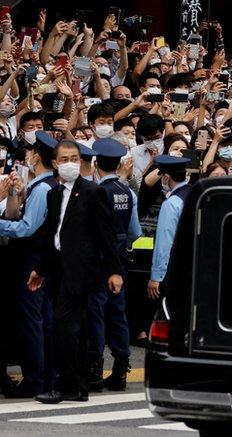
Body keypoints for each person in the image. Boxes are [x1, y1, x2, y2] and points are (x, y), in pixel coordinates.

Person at [30, 139, 123, 403]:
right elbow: (54, 234)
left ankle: (67, 384)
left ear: (82, 161)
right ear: (56, 163)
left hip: (83, 272)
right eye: (65, 159)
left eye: (75, 158)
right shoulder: (54, 193)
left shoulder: (93, 192)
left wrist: (114, 271)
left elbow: (107, 235)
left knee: (65, 327)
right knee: (75, 330)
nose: (71, 163)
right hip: (60, 270)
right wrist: (41, 270)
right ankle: (80, 386)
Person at [0, 130, 59, 398]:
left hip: (32, 261)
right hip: (42, 260)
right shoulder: (43, 187)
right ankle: (44, 377)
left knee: (33, 323)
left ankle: (36, 380)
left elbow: (25, 229)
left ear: (36, 156)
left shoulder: (43, 188)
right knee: (42, 322)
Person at [88, 138, 142, 392]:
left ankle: (95, 369)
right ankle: (121, 369)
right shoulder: (127, 192)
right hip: (120, 260)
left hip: (97, 261)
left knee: (96, 314)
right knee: (117, 315)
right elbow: (134, 233)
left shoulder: (96, 192)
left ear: (95, 163)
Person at [148, 156, 191, 301]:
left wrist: (156, 276)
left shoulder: (172, 203)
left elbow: (164, 242)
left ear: (166, 177)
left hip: (174, 270)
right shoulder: (195, 196)